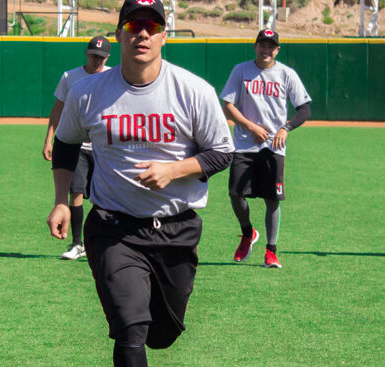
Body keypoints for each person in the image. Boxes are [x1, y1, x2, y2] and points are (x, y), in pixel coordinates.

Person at [45, 0, 235, 364]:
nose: (143, 33)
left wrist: (173, 170)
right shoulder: (88, 91)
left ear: (164, 35)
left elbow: (222, 152)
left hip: (175, 230)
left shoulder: (192, 90)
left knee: (160, 335)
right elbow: (67, 143)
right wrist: (60, 200)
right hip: (113, 228)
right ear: (119, 35)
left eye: (152, 26)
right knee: (130, 328)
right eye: (133, 27)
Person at [220, 29, 312, 268]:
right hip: (244, 143)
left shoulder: (286, 74)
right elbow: (228, 105)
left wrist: (286, 128)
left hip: (274, 147)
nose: (266, 50)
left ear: (277, 50)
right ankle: (248, 233)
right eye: (262, 44)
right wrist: (250, 126)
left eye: (271, 46)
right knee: (235, 194)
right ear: (255, 46)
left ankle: (271, 251)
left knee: (272, 199)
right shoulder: (241, 71)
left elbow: (304, 109)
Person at [42, 35, 112, 260]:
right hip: (76, 144)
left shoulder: (114, 77)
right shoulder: (70, 77)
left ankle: (106, 242)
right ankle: (77, 243)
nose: (97, 61)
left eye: (101, 57)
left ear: (108, 57)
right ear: (87, 53)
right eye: (93, 55)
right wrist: (49, 139)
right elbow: (58, 109)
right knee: (76, 193)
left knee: (105, 196)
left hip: (103, 146)